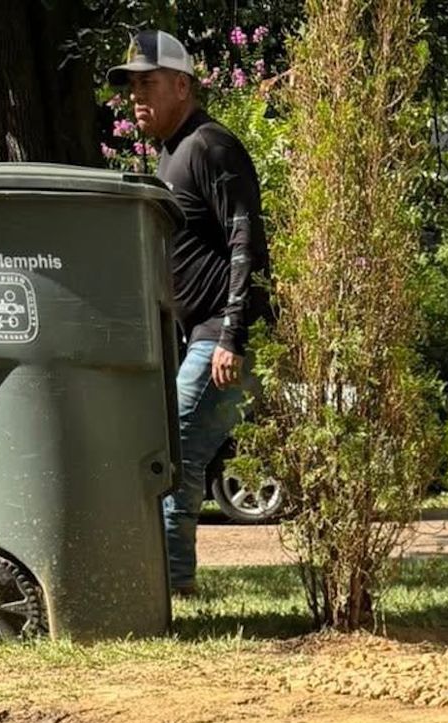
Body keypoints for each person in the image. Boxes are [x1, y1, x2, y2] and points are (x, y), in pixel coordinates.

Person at [110, 29, 271, 599]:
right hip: (195, 337)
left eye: (147, 82)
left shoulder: (209, 146)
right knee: (172, 454)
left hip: (218, 338)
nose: (136, 96)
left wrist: (233, 333)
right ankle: (168, 583)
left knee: (177, 454)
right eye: (130, 85)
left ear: (182, 84)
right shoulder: (170, 153)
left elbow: (245, 240)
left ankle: (174, 590)